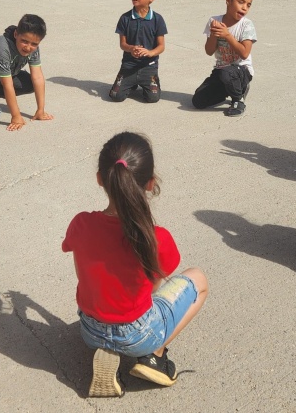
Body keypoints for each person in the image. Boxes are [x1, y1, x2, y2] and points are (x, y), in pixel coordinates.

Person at [64, 132, 208, 397]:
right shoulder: (156, 237)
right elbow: (153, 287)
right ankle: (155, 354)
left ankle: (108, 349)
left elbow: (81, 274)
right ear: (150, 183)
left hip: (90, 330)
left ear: (100, 179)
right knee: (198, 279)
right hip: (137, 335)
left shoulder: (80, 224)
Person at [192, 0, 256, 116]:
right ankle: (231, 89)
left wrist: (227, 35)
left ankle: (239, 99)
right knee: (198, 101)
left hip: (242, 70)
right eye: (241, 2)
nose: (244, 7)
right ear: (228, 0)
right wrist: (214, 35)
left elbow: (244, 54)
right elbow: (209, 51)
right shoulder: (214, 21)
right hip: (221, 70)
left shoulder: (247, 24)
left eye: (248, 5)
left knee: (227, 72)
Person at [109, 0, 166, 103]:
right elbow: (123, 44)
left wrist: (150, 53)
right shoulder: (125, 18)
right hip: (129, 65)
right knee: (115, 96)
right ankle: (131, 82)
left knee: (152, 98)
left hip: (149, 66)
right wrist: (131, 49)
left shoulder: (157, 19)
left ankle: (149, 80)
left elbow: (161, 46)